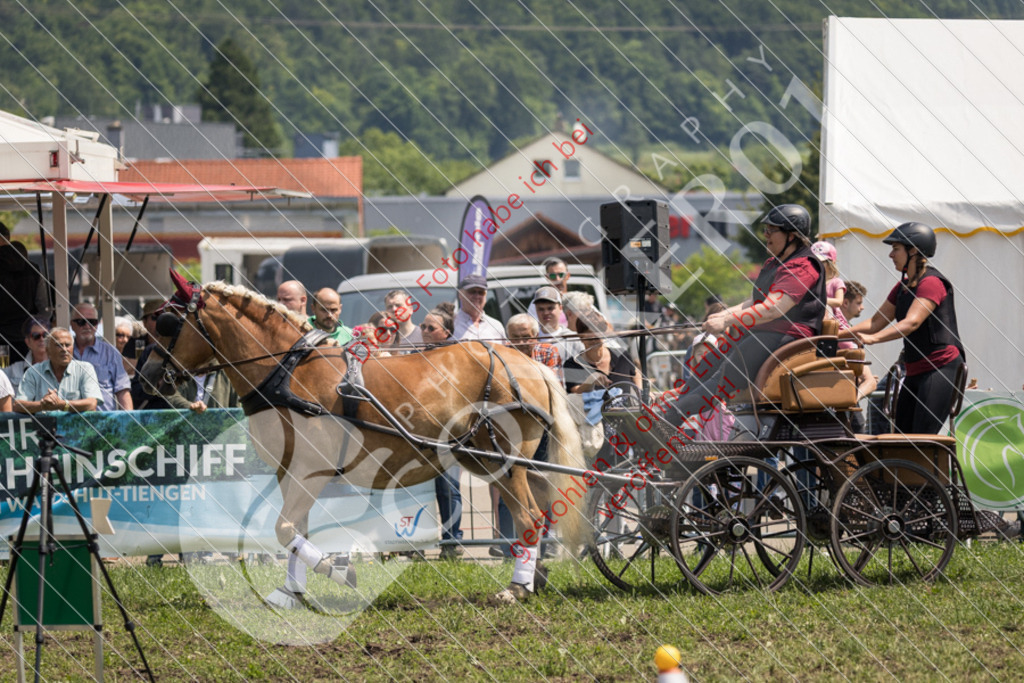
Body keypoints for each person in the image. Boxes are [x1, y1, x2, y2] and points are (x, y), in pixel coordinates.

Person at [668, 204, 826, 430]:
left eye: (772, 231)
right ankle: (669, 414)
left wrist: (726, 321)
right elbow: (756, 302)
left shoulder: (802, 266)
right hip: (764, 332)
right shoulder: (775, 263)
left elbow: (773, 308)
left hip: (787, 336)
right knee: (706, 367)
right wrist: (724, 313)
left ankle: (671, 418)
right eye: (766, 230)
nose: (766, 236)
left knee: (721, 379)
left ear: (792, 236)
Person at [842, 222, 964, 434]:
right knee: (902, 436)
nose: (891, 254)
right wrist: (837, 333)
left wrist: (873, 339)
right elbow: (875, 322)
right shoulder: (902, 287)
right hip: (916, 370)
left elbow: (911, 322)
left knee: (922, 437)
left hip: (941, 367)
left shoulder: (932, 282)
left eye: (895, 248)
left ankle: (929, 468)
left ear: (914, 250)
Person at [14, 328, 102, 414]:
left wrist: (61, 405)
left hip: (77, 428)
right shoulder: (34, 372)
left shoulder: (85, 369)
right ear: (48, 350)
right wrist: (42, 405)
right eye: (59, 345)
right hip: (45, 428)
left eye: (67, 345)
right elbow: (18, 405)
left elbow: (91, 403)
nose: (64, 349)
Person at [70, 303, 132, 411]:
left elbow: (122, 391)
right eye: (81, 322)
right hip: (70, 421)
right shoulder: (64, 351)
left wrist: (130, 423)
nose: (87, 326)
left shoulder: (110, 352)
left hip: (103, 422)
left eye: (92, 322)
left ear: (97, 325)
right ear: (72, 325)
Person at [0, 222, 46, 361]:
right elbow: (44, 307)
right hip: (26, 340)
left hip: (1, 342)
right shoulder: (33, 269)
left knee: (2, 375)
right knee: (26, 376)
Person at [531, 286, 583, 365]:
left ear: (560, 308)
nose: (546, 313)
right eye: (541, 309)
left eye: (550, 308)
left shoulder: (573, 339)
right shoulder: (531, 339)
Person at [453, 275, 504, 342]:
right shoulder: (450, 325)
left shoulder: (496, 326)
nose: (477, 296)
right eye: (472, 291)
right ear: (460, 295)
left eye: (481, 292)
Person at [5, 318, 49, 394]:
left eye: (45, 335)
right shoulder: (14, 370)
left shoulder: (59, 366)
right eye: (36, 336)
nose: (42, 339)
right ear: (28, 342)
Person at [528, 257, 570, 327]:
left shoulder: (578, 301)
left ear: (568, 276)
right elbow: (532, 331)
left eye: (561, 275)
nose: (557, 279)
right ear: (547, 278)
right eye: (553, 276)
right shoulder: (535, 304)